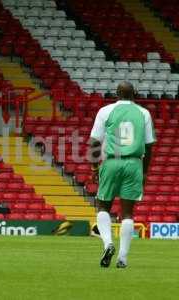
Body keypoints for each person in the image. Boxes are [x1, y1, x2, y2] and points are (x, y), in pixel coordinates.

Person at [89, 82, 155, 268]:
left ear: (116, 93)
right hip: (134, 162)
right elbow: (149, 146)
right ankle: (122, 258)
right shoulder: (144, 113)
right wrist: (144, 171)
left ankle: (108, 243)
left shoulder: (105, 111)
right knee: (127, 212)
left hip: (112, 161)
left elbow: (94, 141)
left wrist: (94, 168)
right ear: (135, 93)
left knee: (103, 205)